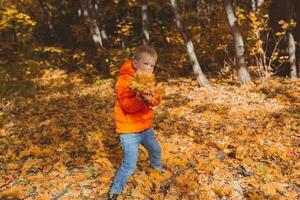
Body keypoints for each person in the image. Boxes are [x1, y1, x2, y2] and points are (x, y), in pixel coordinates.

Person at [102, 45, 163, 200]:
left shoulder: (148, 79)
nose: (149, 68)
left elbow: (156, 99)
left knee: (155, 150)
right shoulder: (124, 80)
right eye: (146, 64)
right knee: (130, 163)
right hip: (128, 130)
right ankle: (115, 190)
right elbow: (127, 107)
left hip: (145, 127)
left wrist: (152, 99)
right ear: (135, 63)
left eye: (152, 66)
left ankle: (157, 174)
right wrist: (140, 98)